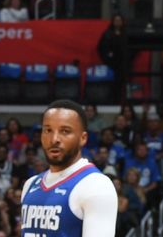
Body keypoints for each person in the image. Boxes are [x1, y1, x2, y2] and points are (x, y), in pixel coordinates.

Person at [20, 100, 118, 235]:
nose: (54, 139)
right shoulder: (30, 184)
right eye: (48, 130)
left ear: (83, 138)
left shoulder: (96, 185)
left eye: (65, 131)